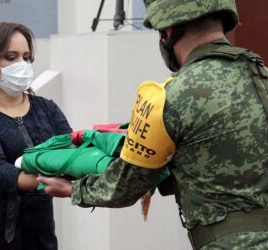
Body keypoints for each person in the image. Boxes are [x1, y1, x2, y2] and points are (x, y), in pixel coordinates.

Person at [37, 0, 268, 249]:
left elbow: (125, 186)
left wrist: (73, 189)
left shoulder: (169, 97)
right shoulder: (262, 76)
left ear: (168, 32)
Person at [0, 22, 72, 250]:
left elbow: (71, 155)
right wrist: (50, 182)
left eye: (26, 57)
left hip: (40, 236)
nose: (22, 65)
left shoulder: (47, 109)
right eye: (11, 57)